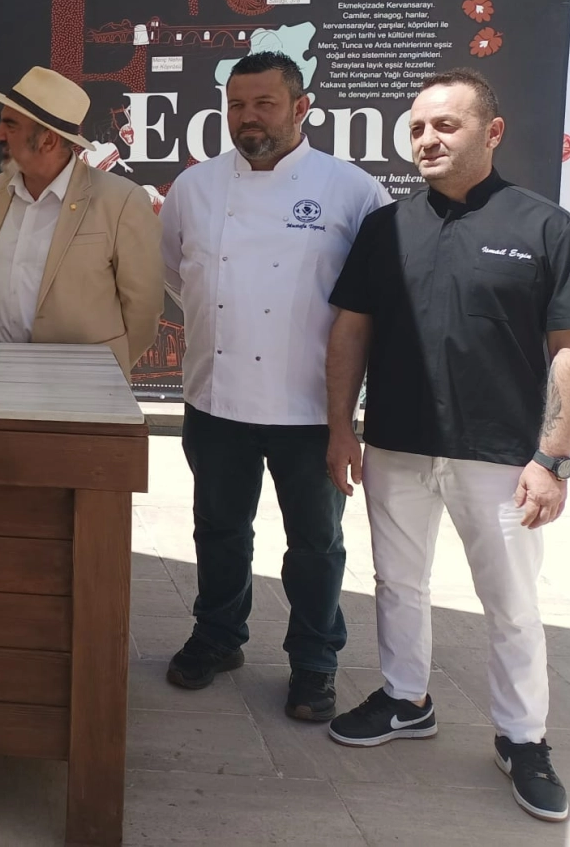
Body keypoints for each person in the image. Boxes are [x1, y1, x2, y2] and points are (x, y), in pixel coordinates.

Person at [325, 69, 570, 823]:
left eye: (445, 124)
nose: (426, 139)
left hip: (502, 457)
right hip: (397, 445)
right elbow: (350, 330)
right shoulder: (385, 228)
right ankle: (405, 699)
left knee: (510, 604)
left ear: (492, 132)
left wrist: (552, 459)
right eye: (416, 128)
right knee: (396, 583)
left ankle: (523, 738)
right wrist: (340, 427)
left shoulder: (548, 229)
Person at [159, 51, 390, 720]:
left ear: (300, 108)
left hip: (313, 406)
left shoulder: (352, 190)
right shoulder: (194, 188)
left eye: (263, 103)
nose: (247, 117)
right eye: (236, 105)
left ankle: (314, 662)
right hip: (216, 397)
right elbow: (176, 274)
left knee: (315, 544)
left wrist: (351, 418)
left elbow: (373, 300)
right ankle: (217, 635)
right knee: (218, 529)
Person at [0, 66, 163, 371]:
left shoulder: (121, 202)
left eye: (11, 126)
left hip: (82, 385)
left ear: (48, 140)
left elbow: (144, 312)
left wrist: (103, 375)